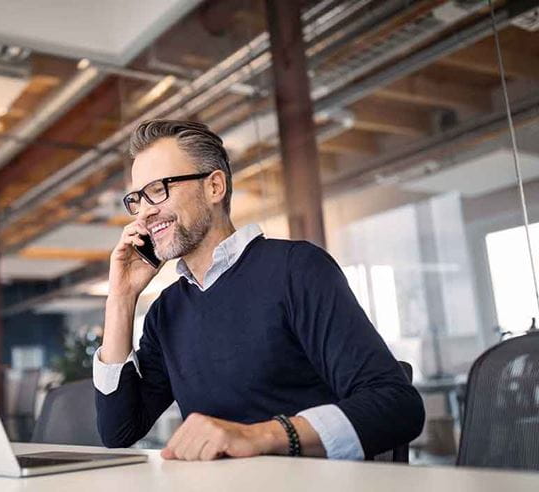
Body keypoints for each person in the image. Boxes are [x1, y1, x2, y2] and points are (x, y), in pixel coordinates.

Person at [93, 120, 424, 461]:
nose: (145, 212)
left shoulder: (296, 269)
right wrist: (121, 298)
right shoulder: (167, 311)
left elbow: (397, 406)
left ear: (214, 187)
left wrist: (260, 436)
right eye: (136, 199)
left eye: (159, 189)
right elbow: (119, 431)